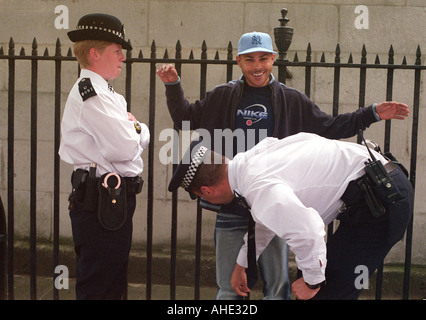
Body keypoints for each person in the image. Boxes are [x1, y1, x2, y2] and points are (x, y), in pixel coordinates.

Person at [156, 31, 409, 299]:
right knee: (232, 288)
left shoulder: (291, 100)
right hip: (233, 201)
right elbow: (186, 118)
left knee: (280, 286)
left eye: (263, 58)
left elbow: (330, 127)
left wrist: (368, 114)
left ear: (273, 59)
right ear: (238, 62)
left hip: (279, 197)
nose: (257, 66)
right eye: (249, 59)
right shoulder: (222, 96)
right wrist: (173, 87)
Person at [168, 133, 414, 299]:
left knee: (329, 290)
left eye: (203, 198)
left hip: (383, 202)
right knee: (318, 278)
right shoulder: (251, 161)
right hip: (373, 192)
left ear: (207, 191)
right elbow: (269, 219)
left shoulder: (259, 188)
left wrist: (312, 283)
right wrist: (242, 263)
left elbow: (309, 231)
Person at [59, 13, 150, 299]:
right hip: (101, 200)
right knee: (100, 285)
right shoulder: (92, 94)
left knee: (112, 283)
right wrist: (137, 129)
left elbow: (131, 139)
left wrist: (134, 130)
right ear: (95, 53)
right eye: (117, 51)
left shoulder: (104, 92)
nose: (123, 57)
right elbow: (125, 147)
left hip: (111, 200)